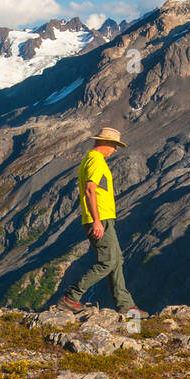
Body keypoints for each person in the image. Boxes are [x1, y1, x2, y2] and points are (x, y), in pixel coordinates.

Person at [58, 126, 145, 317]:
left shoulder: (92, 160)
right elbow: (90, 189)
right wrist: (97, 221)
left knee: (116, 260)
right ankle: (71, 297)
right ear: (105, 143)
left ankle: (126, 306)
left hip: (104, 219)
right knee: (107, 262)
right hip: (100, 219)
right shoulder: (96, 160)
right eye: (114, 145)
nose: (115, 150)